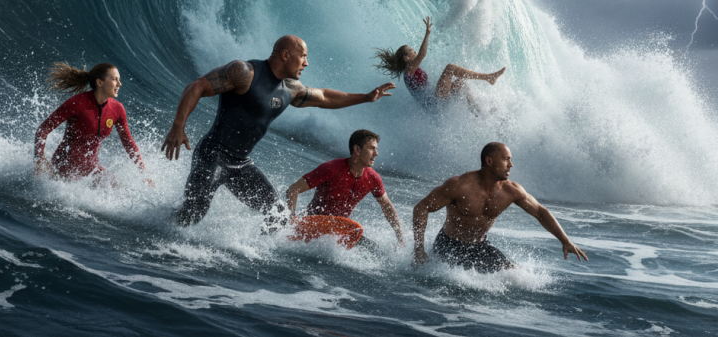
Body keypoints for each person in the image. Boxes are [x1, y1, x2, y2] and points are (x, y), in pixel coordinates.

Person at [163, 35, 395, 230]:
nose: (306, 63)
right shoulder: (244, 72)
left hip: (241, 164)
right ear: (285, 55)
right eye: (303, 56)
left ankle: (258, 255)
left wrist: (365, 97)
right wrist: (177, 127)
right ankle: (161, 232)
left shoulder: (291, 88)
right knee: (193, 214)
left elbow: (324, 97)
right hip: (213, 154)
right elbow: (197, 86)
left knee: (280, 215)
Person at [413, 142, 587, 272]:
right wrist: (419, 251)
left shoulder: (511, 191)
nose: (511, 165)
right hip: (448, 245)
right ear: (489, 161)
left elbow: (540, 212)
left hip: (480, 247)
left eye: (510, 160)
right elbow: (421, 208)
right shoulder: (460, 185)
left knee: (517, 275)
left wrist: (565, 241)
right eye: (506, 160)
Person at [34, 62, 153, 186]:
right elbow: (43, 129)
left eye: (119, 80)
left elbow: (128, 143)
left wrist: (143, 172)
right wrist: (39, 160)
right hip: (65, 166)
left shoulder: (117, 109)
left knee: (117, 186)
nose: (119, 84)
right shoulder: (77, 103)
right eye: (114, 79)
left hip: (90, 168)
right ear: (100, 82)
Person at [285, 129, 406, 248]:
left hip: (339, 229)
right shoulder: (332, 168)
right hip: (313, 223)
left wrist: (400, 237)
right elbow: (293, 190)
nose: (376, 153)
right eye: (371, 148)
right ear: (357, 149)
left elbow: (387, 206)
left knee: (374, 249)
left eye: (376, 149)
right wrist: (291, 221)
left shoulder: (373, 178)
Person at [374, 17, 505, 111]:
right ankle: (488, 77)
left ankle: (476, 111)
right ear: (406, 57)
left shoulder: (410, 71)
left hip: (435, 103)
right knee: (450, 68)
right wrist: (427, 34)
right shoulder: (409, 70)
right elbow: (422, 54)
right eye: (412, 51)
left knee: (460, 84)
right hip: (434, 104)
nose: (415, 52)